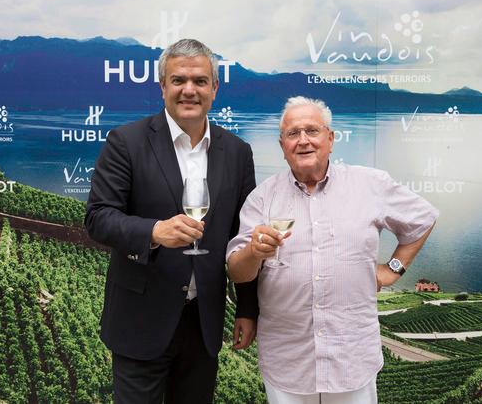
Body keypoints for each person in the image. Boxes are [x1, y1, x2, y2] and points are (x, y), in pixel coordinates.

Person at [226, 96, 439, 404]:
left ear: (331, 138)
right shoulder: (262, 198)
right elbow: (237, 271)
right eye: (293, 133)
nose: (303, 140)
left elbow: (423, 219)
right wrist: (253, 252)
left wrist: (392, 269)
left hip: (351, 357)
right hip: (288, 361)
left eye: (312, 130)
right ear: (282, 145)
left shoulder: (370, 184)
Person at [85, 38, 258, 404]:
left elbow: (242, 238)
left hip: (204, 324)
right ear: (163, 86)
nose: (189, 90)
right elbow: (98, 218)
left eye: (199, 81)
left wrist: (247, 308)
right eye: (178, 80)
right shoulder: (125, 142)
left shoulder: (238, 153)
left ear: (214, 88)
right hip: (140, 322)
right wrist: (153, 231)